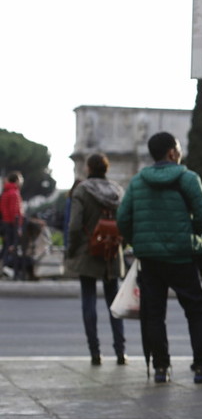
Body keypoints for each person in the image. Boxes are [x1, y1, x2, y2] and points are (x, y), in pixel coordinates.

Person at [116, 132, 202, 384]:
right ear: (172, 152)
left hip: (150, 258)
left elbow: (123, 219)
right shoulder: (188, 178)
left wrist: (138, 241)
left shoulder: (138, 181)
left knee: (154, 314)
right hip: (182, 256)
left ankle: (161, 368)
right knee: (195, 311)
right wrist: (189, 233)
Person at [67, 154, 126, 366]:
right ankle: (120, 352)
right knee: (115, 303)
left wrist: (73, 249)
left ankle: (95, 353)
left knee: (88, 300)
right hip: (112, 253)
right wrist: (121, 245)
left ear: (89, 168)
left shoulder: (82, 191)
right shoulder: (118, 191)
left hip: (88, 252)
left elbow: (74, 225)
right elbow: (126, 222)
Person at [1, 171, 25, 275]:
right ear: (16, 180)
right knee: (11, 246)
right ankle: (7, 267)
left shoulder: (5, 191)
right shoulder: (14, 193)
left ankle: (4, 266)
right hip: (11, 223)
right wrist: (18, 226)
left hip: (5, 223)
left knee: (7, 246)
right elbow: (15, 211)